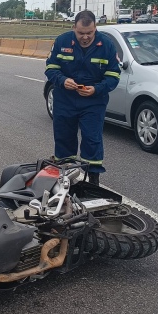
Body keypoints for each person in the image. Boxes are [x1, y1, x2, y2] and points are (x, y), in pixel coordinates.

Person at [44, 10, 120, 185]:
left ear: (95, 28)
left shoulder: (107, 45)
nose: (85, 37)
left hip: (93, 102)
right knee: (64, 138)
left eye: (89, 33)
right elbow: (50, 69)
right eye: (80, 33)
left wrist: (96, 89)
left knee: (92, 139)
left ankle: (93, 179)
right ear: (74, 28)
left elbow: (113, 77)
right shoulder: (62, 41)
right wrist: (62, 80)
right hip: (65, 100)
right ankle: (64, 176)